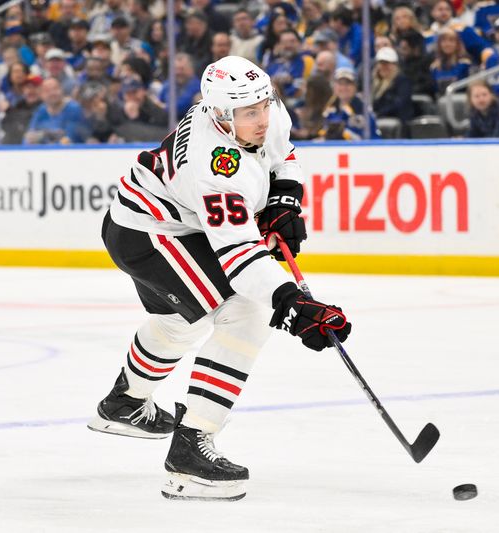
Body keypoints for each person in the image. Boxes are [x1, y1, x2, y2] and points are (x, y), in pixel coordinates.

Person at [88, 56, 351, 501]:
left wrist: (285, 196)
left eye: (265, 105)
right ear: (220, 115)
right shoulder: (214, 166)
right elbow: (240, 257)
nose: (263, 119)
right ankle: (190, 454)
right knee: (246, 311)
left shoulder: (256, 109)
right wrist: (292, 304)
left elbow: (283, 151)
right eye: (250, 113)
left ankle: (125, 403)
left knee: (181, 321)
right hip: (149, 234)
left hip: (158, 222)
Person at [319, 67, 379, 140]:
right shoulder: (329, 109)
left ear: (355, 86)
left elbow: (369, 137)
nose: (344, 87)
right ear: (334, 86)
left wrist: (346, 133)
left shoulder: (363, 109)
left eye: (348, 83)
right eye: (340, 83)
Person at [24, 77, 89, 144]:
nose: (52, 93)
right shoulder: (41, 110)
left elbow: (69, 139)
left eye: (55, 89)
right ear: (41, 95)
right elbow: (28, 138)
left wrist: (42, 135)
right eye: (47, 90)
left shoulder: (74, 109)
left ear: (62, 90)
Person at [371, 46, 413, 125]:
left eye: (387, 63)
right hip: (378, 119)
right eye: (381, 63)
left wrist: (379, 114)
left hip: (397, 122)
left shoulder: (402, 82)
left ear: (395, 65)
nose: (384, 67)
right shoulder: (375, 83)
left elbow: (399, 104)